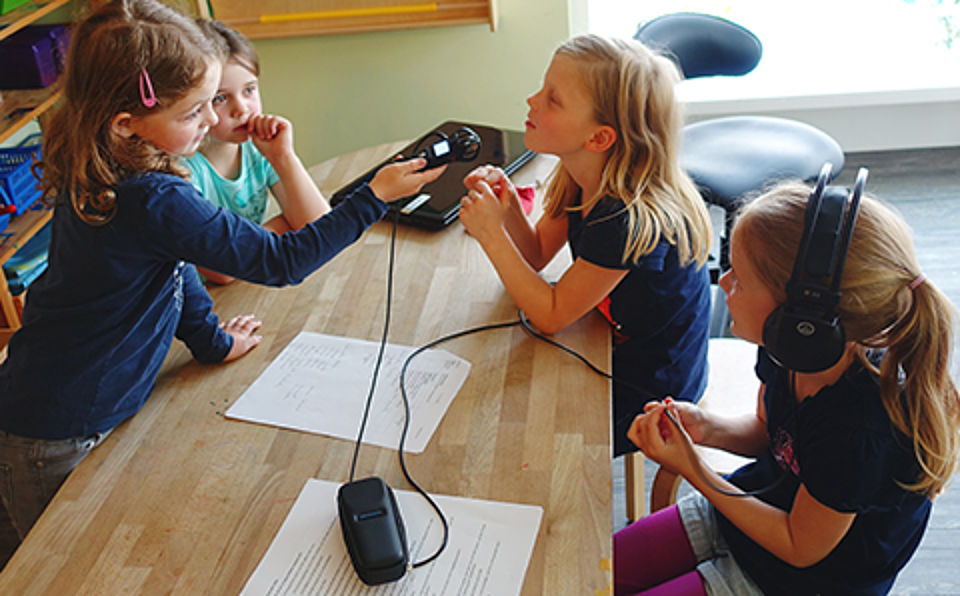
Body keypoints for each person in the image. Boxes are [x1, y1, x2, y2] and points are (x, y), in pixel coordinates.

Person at [0, 0, 443, 541]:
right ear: (127, 125)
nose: (212, 120)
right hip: (55, 433)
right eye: (194, 112)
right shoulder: (153, 197)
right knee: (44, 562)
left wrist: (211, 341)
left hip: (54, 404)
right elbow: (282, 261)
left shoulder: (111, 165)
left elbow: (172, 265)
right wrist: (373, 197)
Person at [616, 181, 960, 595]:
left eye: (739, 278)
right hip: (751, 508)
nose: (724, 283)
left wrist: (694, 469)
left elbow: (799, 546)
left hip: (799, 581)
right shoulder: (788, 350)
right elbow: (769, 433)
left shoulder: (861, 430)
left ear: (802, 321)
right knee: (595, 569)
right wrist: (706, 428)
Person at [458, 34, 713, 456]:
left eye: (553, 100)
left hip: (653, 388)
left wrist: (490, 235)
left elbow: (551, 316)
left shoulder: (624, 218)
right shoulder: (581, 174)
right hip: (614, 339)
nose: (531, 100)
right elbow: (537, 252)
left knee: (521, 442)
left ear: (598, 138)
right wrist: (508, 208)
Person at [183, 19, 327, 285]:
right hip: (206, 299)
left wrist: (283, 157)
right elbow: (223, 271)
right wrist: (286, 225)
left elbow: (320, 229)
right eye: (220, 98)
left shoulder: (258, 147)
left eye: (249, 90)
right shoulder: (183, 171)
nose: (242, 109)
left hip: (250, 280)